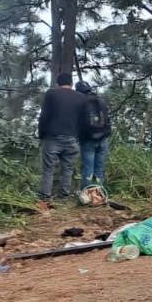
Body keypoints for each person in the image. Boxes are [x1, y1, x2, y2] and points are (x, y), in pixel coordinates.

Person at [37, 73, 88, 205]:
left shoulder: (51, 94)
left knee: (49, 169)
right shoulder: (81, 98)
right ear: (71, 83)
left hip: (53, 137)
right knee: (68, 169)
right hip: (72, 138)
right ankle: (63, 198)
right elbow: (83, 121)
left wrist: (41, 134)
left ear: (57, 83)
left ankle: (45, 198)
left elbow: (44, 116)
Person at [76, 81, 112, 188]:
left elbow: (79, 123)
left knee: (88, 169)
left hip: (88, 140)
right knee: (99, 169)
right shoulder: (101, 101)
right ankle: (98, 195)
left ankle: (87, 195)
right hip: (103, 139)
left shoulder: (81, 103)